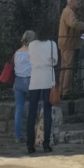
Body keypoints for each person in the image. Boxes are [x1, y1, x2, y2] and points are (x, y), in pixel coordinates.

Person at [26, 21, 58, 154]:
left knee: (32, 112)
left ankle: (30, 144)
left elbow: (30, 60)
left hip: (35, 79)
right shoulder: (51, 44)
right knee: (47, 111)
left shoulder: (31, 45)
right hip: (47, 79)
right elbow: (55, 61)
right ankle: (46, 143)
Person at [58, 0, 84, 98]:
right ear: (72, 1)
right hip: (68, 43)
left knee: (64, 67)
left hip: (65, 42)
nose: (79, 2)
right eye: (77, 0)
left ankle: (61, 90)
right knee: (68, 67)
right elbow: (73, 23)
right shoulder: (69, 12)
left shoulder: (67, 11)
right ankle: (66, 90)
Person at [12, 29, 35, 143]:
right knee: (35, 107)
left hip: (18, 80)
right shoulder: (32, 52)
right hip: (30, 79)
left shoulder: (17, 52)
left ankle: (18, 135)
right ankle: (34, 132)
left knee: (19, 109)